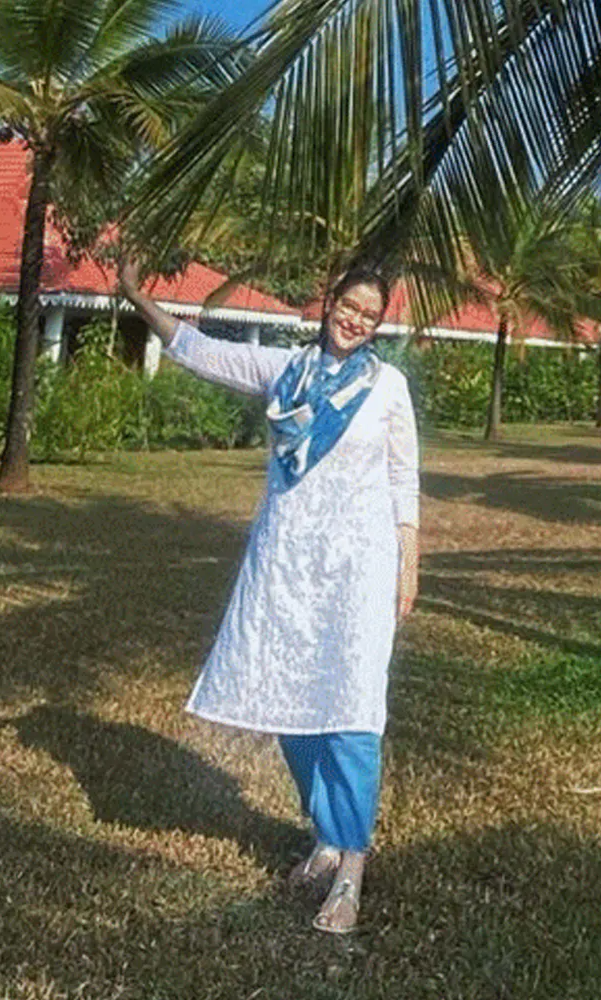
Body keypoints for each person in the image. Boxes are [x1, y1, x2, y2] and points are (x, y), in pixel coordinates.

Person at [115, 257, 420, 935]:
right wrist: (137, 296)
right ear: (329, 303)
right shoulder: (286, 371)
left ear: (378, 325)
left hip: (359, 570)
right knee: (291, 702)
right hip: (286, 568)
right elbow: (201, 351)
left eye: (369, 315)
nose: (355, 321)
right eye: (349, 306)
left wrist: (410, 566)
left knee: (353, 708)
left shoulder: (387, 387)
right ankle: (325, 836)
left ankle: (351, 868)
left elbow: (405, 479)